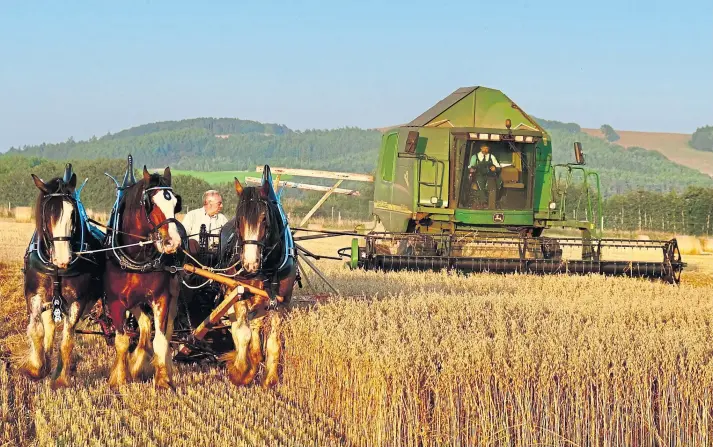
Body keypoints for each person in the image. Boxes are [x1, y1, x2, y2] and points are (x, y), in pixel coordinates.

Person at [468, 144, 502, 209]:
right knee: (480, 187)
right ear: (481, 148)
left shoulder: (491, 157)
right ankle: (483, 203)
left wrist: (495, 168)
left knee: (492, 188)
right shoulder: (475, 157)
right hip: (479, 175)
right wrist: (472, 169)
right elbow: (470, 167)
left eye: (487, 148)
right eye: (484, 148)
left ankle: (491, 206)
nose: (485, 150)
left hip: (490, 175)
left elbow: (498, 166)